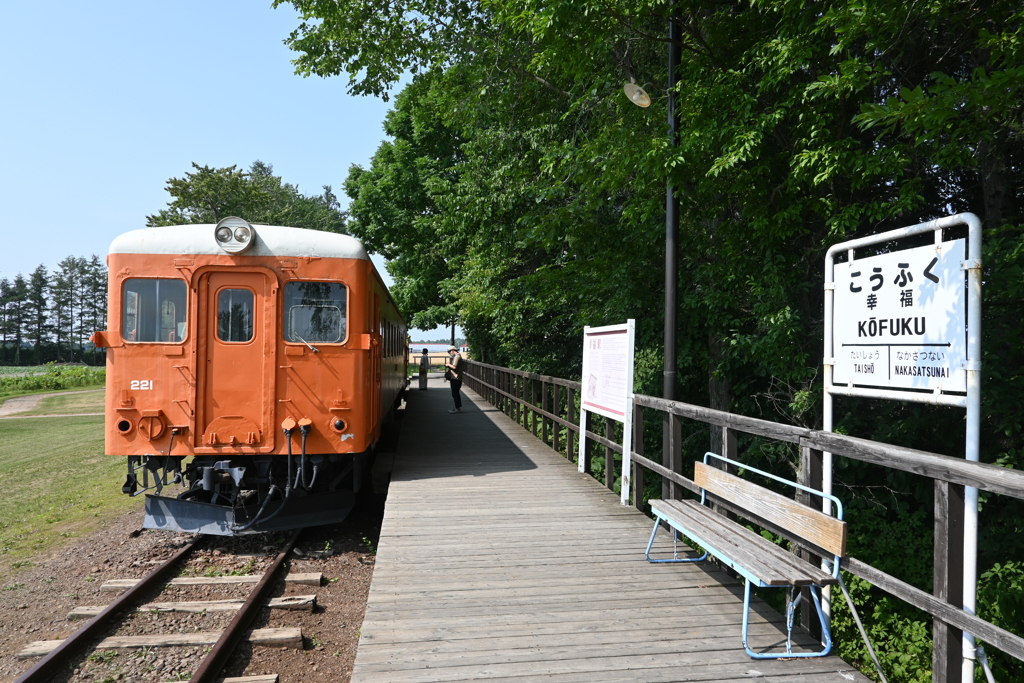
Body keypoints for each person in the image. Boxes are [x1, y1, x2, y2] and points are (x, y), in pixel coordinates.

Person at [444, 345, 465, 413]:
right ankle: (457, 407)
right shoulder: (459, 356)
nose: (449, 353)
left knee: (455, 393)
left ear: (453, 351)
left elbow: (454, 367)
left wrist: (448, 365)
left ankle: (458, 408)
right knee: (455, 393)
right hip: (457, 377)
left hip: (456, 378)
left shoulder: (457, 357)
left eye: (449, 352)